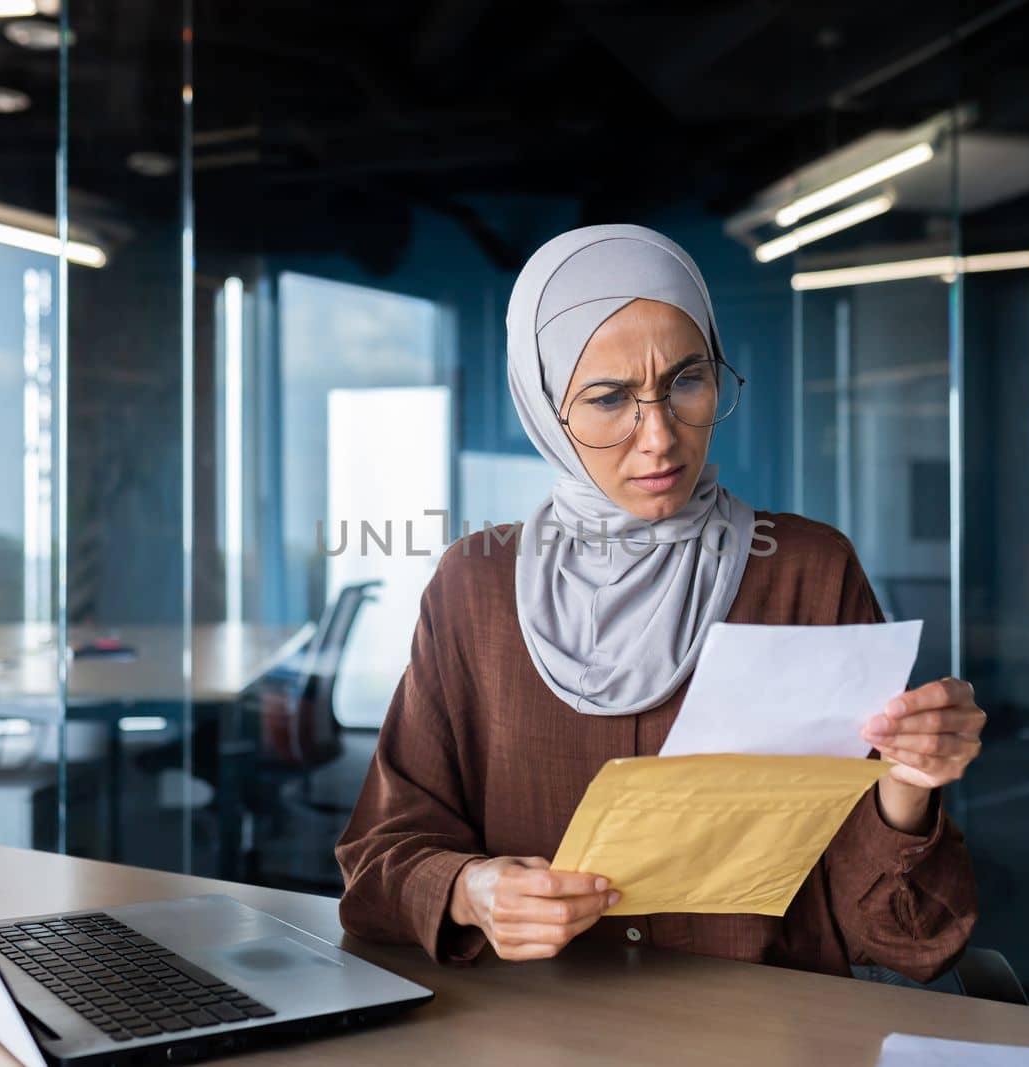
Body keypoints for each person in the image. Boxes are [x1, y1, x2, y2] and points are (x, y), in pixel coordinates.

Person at [335, 224, 983, 981]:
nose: (660, 437)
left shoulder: (809, 571)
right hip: (531, 1031)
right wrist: (468, 891)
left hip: (765, 1036)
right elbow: (378, 864)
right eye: (610, 398)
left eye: (687, 382)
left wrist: (906, 785)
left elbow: (903, 936)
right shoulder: (474, 586)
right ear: (546, 408)